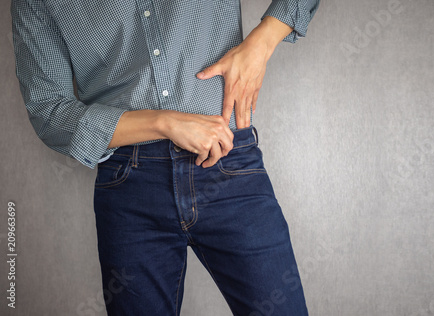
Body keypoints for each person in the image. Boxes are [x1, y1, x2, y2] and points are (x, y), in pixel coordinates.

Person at [11, 0, 320, 315]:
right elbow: (48, 110)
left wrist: (262, 42)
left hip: (230, 167)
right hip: (129, 186)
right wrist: (163, 122)